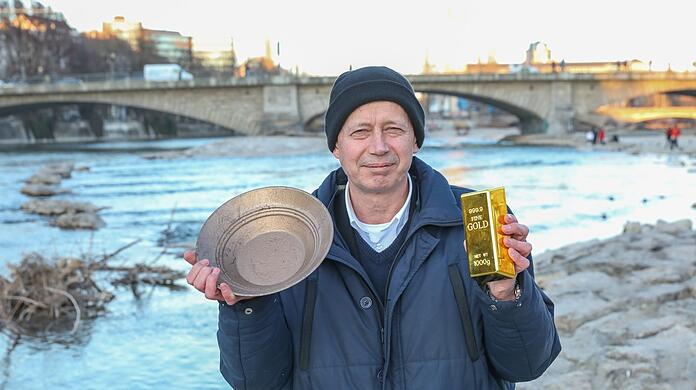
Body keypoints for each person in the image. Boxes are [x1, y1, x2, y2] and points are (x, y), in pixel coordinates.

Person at [184, 66, 561, 389]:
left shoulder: (475, 223)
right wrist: (247, 305)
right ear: (336, 146)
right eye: (360, 132)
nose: (378, 147)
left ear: (415, 139)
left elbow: (526, 365)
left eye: (394, 129)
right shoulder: (287, 239)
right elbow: (256, 382)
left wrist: (505, 293)